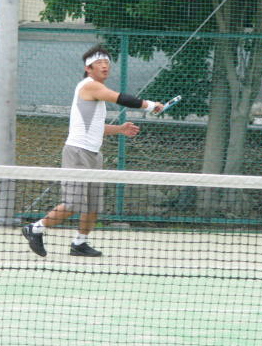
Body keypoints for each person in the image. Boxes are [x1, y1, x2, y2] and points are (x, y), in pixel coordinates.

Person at [22, 45, 163, 257]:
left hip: (94, 154)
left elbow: (95, 127)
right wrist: (150, 105)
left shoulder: (96, 94)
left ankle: (79, 243)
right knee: (72, 204)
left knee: (93, 205)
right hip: (77, 153)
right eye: (99, 63)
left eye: (107, 62)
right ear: (88, 68)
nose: (104, 66)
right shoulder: (89, 86)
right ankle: (35, 229)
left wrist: (120, 129)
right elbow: (121, 98)